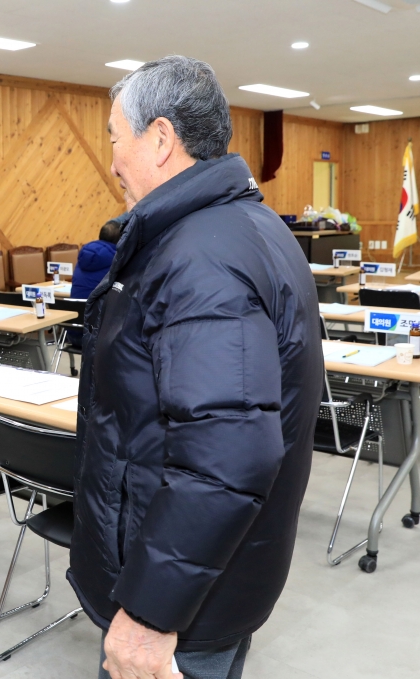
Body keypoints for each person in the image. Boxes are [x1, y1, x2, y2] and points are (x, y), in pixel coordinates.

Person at [68, 56, 321, 679]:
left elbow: (225, 457)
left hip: (181, 604)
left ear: (160, 139)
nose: (111, 160)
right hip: (213, 576)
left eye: (114, 139)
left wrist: (149, 614)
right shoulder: (244, 228)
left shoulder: (199, 258)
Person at [70, 219, 123, 300]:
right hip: (99, 306)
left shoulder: (85, 254)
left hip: (75, 306)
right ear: (120, 239)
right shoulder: (116, 259)